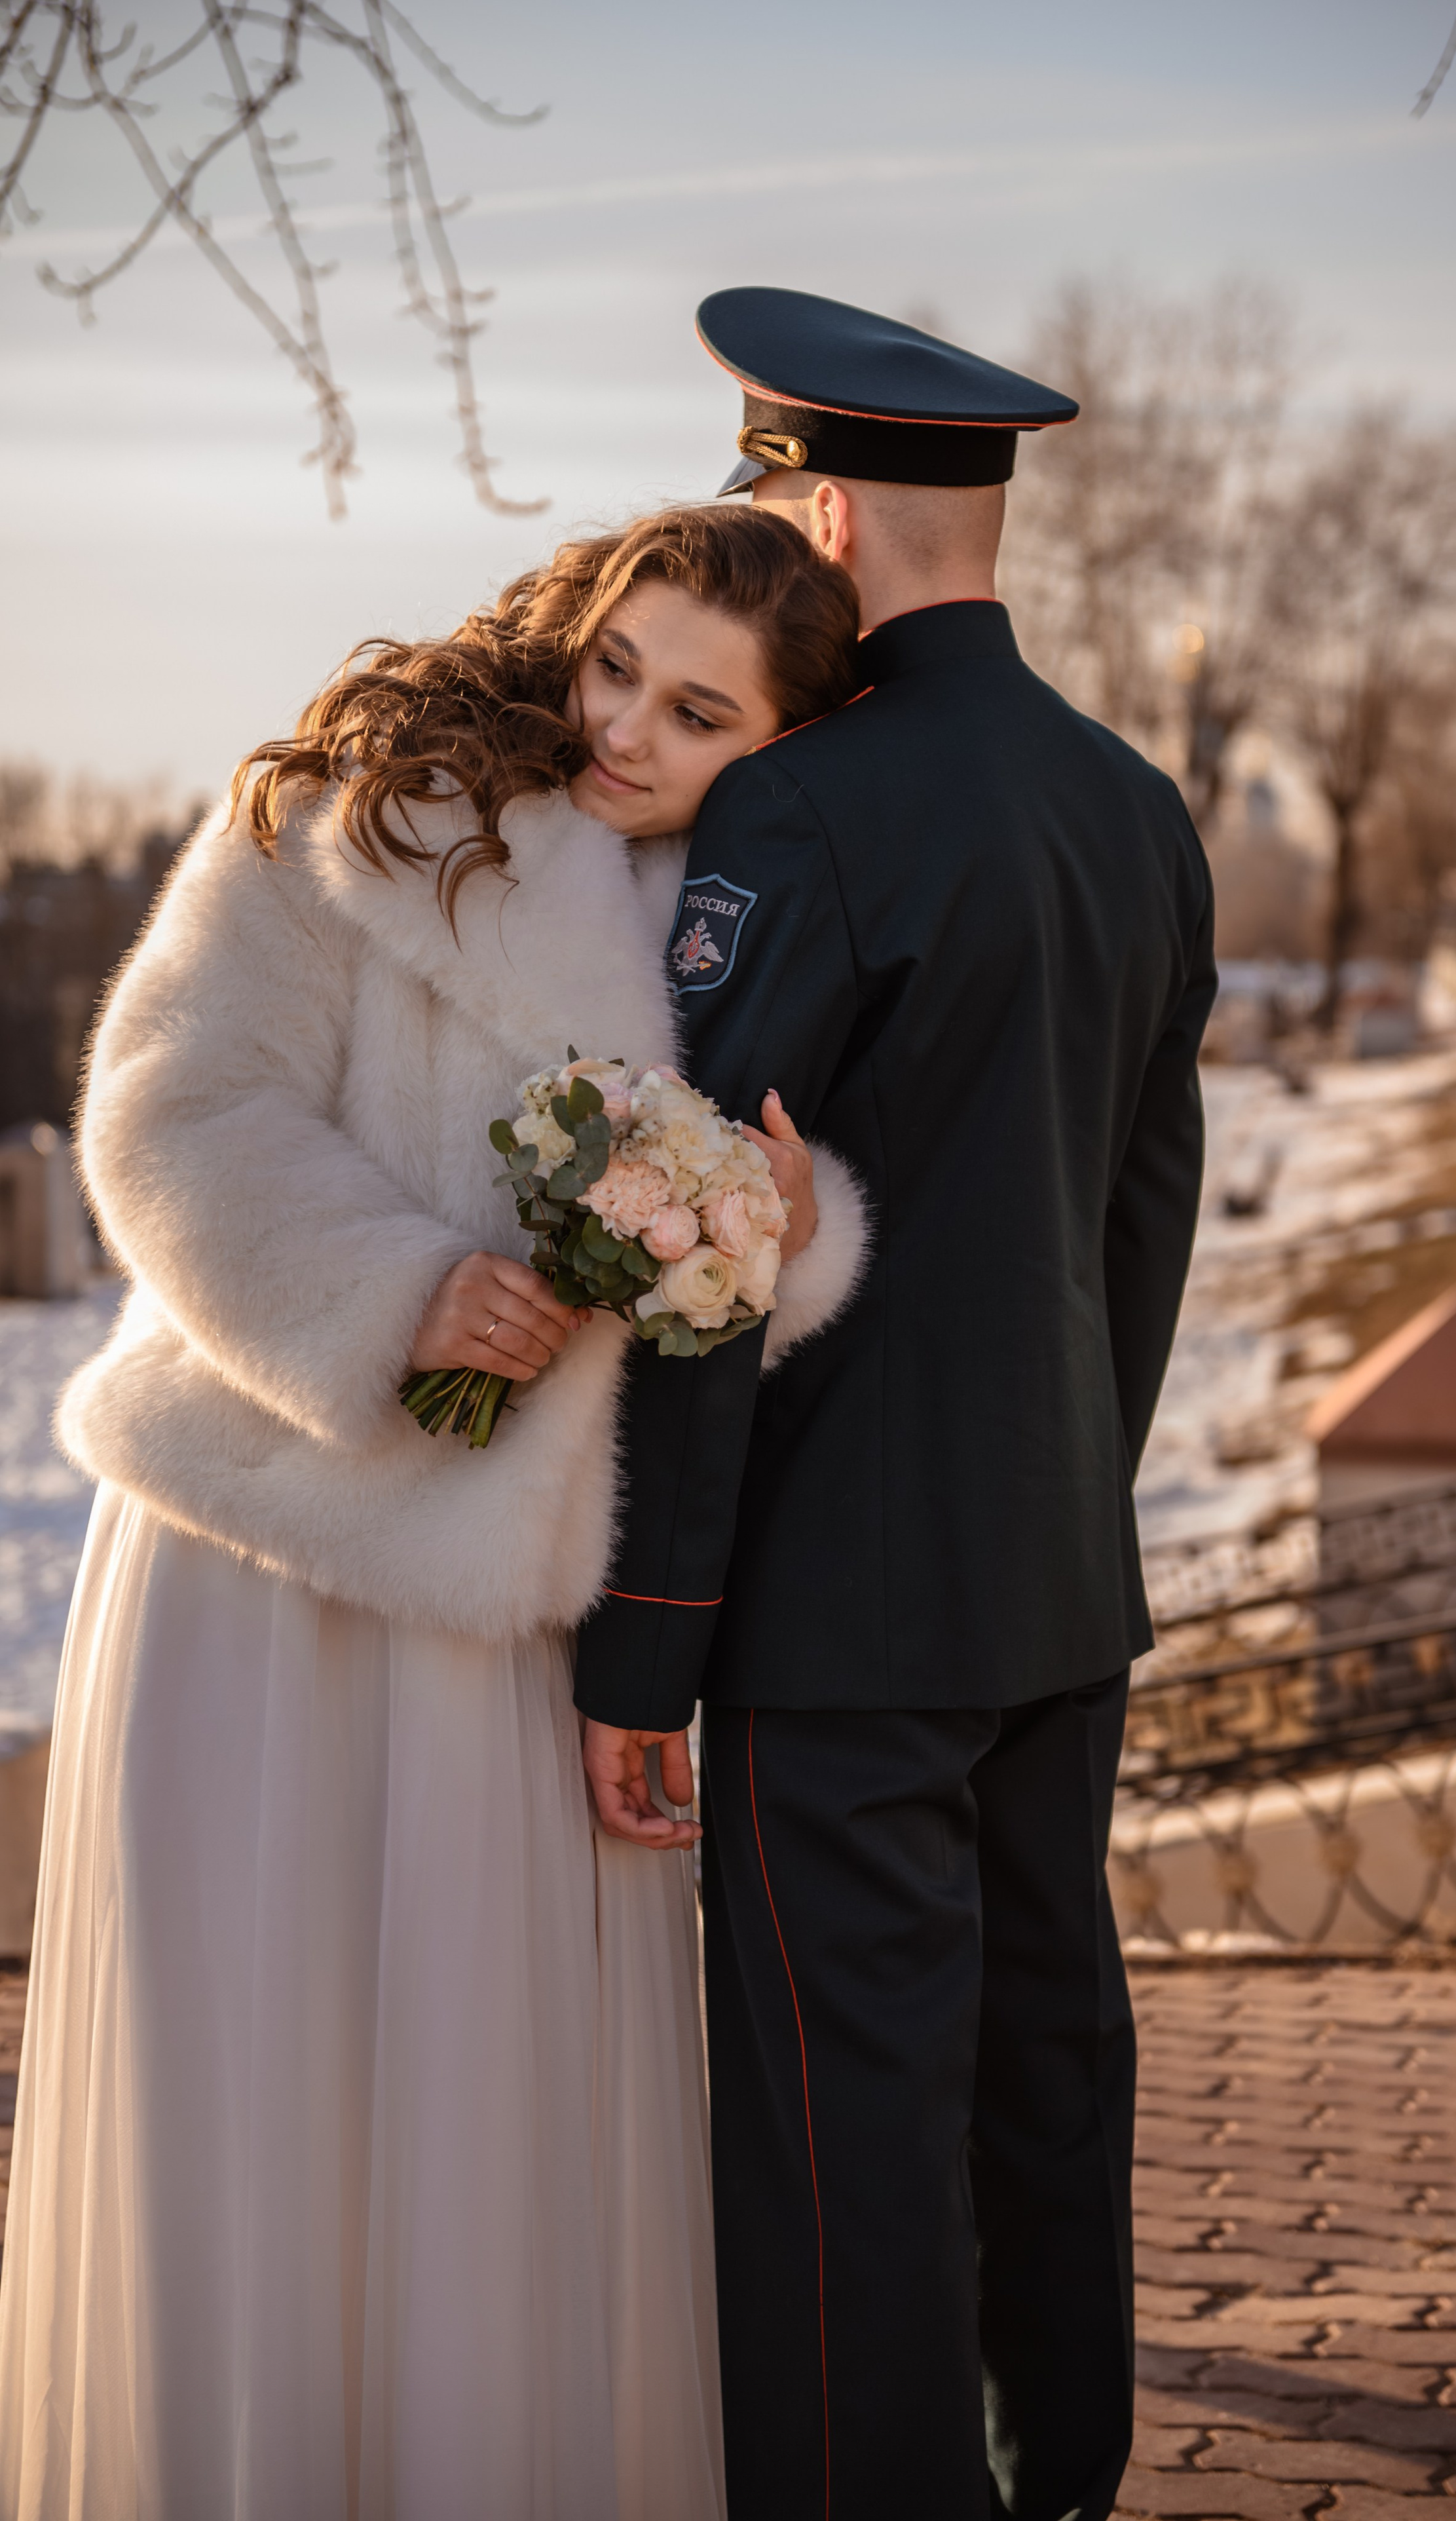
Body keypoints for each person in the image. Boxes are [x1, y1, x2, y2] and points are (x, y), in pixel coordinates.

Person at [0, 505, 871, 2521]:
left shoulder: (747, 911)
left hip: (505, 1614)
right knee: (256, 2093)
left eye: (701, 712)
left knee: (484, 2122)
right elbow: (166, 1110)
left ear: (781, 743)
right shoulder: (365, 809)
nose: (626, 728)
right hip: (262, 1551)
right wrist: (401, 1296)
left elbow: (747, 1257)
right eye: (618, 664)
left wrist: (782, 1231)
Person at [576, 290, 1217, 2521]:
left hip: (836, 1616)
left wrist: (649, 1641)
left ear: (822, 518)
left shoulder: (800, 807)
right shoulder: (1136, 809)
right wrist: (1068, 1487)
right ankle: (1062, 2486)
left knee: (846, 2145)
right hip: (1055, 1582)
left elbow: (708, 1245)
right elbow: (1145, 1216)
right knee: (1044, 2080)